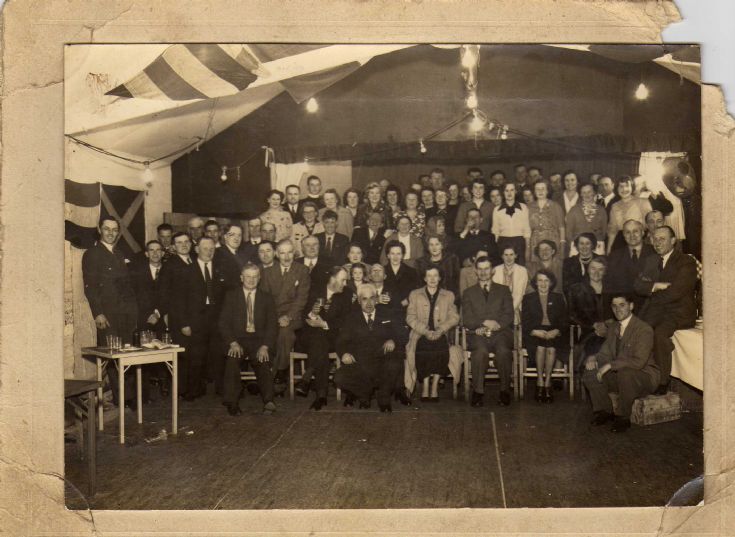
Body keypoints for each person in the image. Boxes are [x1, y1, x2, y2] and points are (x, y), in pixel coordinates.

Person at [82, 217, 139, 408]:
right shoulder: (92, 254)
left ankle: (128, 397)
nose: (111, 233)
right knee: (113, 356)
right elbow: (90, 288)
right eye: (107, 229)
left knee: (127, 355)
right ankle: (121, 398)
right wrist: (98, 313)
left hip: (125, 315)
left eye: (114, 230)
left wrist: (133, 313)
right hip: (107, 316)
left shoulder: (119, 253)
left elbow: (126, 287)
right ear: (99, 229)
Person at [634, 226, 698, 395]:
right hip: (657, 310)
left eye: (662, 239)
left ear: (673, 241)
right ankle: (641, 376)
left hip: (679, 312)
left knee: (660, 333)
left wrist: (653, 292)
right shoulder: (650, 261)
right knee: (637, 331)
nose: (657, 242)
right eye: (655, 239)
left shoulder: (686, 261)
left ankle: (663, 382)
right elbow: (637, 285)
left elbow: (677, 292)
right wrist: (655, 285)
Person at [582, 294, 659, 433]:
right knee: (590, 371)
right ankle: (605, 411)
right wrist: (593, 358)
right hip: (620, 375)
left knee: (625, 373)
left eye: (622, 305)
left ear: (631, 306)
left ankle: (623, 417)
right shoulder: (613, 327)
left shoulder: (643, 329)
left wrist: (611, 365)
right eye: (614, 306)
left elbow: (638, 362)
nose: (618, 309)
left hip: (644, 377)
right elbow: (605, 353)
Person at [219, 264, 277, 415]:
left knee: (263, 361)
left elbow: (272, 325)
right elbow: (223, 323)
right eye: (247, 276)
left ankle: (269, 401)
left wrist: (265, 346)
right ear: (241, 278)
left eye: (254, 277)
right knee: (232, 361)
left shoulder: (267, 298)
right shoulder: (231, 296)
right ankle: (232, 402)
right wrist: (232, 343)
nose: (251, 280)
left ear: (259, 279)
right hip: (237, 340)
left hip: (258, 341)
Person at [334, 284, 402, 412]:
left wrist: (393, 340)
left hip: (382, 362)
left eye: (372, 298)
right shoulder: (351, 318)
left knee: (394, 363)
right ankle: (364, 394)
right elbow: (341, 341)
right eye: (364, 299)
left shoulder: (387, 314)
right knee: (339, 377)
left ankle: (384, 398)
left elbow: (401, 334)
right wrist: (344, 354)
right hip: (360, 363)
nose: (369, 303)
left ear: (377, 299)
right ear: (359, 301)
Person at [296, 266, 352, 410]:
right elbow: (302, 313)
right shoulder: (314, 291)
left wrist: (324, 323)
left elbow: (345, 321)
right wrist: (311, 315)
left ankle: (313, 382)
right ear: (332, 279)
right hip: (308, 337)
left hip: (331, 338)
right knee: (318, 339)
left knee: (319, 340)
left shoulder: (346, 295)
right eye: (343, 280)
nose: (345, 284)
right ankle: (318, 390)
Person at [462, 256, 515, 407]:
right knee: (480, 353)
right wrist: (484, 323)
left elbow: (509, 314)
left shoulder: (504, 290)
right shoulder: (468, 293)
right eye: (480, 269)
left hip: (500, 333)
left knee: (504, 351)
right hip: (478, 333)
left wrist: (496, 325)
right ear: (475, 271)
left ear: (492, 271)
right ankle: (478, 392)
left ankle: (505, 390)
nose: (484, 272)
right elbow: (466, 319)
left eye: (487, 268)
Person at [259, 239, 311, 395]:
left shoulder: (302, 270)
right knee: (270, 332)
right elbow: (265, 300)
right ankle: (273, 373)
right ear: (276, 254)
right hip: (272, 315)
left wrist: (288, 316)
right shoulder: (267, 272)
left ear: (294, 253)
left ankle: (278, 373)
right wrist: (274, 318)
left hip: (293, 316)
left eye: (289, 252)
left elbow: (302, 299)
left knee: (284, 333)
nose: (286, 256)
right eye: (282, 252)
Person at [182, 237, 227, 398]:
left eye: (212, 249)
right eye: (205, 248)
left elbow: (226, 296)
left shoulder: (220, 269)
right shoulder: (187, 271)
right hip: (196, 319)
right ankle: (194, 390)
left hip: (216, 318)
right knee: (196, 356)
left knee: (218, 354)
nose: (209, 252)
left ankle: (222, 389)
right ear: (196, 250)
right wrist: (185, 323)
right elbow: (180, 299)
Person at [406, 267, 460, 401]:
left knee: (439, 346)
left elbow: (454, 317)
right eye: (429, 276)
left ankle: (435, 385)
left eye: (435, 276)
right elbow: (410, 317)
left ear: (440, 278)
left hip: (441, 334)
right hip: (420, 333)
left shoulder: (448, 295)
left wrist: (441, 330)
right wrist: (425, 331)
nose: (432, 279)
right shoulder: (415, 294)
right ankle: (425, 386)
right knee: (423, 346)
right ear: (424, 278)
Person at [522, 270, 569, 403]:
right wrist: (534, 331)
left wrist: (557, 330)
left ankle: (547, 381)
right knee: (541, 347)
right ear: (535, 283)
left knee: (551, 348)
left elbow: (564, 320)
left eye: (546, 280)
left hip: (554, 331)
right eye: (540, 280)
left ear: (551, 282)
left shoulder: (558, 298)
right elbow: (525, 321)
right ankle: (539, 380)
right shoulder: (528, 298)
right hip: (534, 332)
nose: (543, 284)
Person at [604, 219, 655, 312]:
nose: (632, 235)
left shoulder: (655, 253)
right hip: (622, 312)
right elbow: (608, 288)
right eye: (627, 232)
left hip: (650, 310)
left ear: (643, 232)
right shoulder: (614, 256)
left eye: (635, 231)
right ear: (623, 235)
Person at [568, 256, 612, 363]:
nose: (596, 272)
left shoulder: (611, 289)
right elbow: (571, 314)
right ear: (588, 270)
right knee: (595, 344)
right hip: (586, 330)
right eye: (593, 268)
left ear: (605, 272)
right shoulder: (577, 289)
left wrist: (606, 325)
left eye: (600, 269)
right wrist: (594, 325)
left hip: (610, 330)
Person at [607, 175, 653, 254]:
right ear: (616, 189)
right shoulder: (614, 206)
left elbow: (651, 223)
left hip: (640, 240)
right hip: (621, 242)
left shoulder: (643, 202)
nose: (624, 189)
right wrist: (609, 250)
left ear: (632, 187)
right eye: (621, 186)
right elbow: (612, 231)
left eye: (627, 186)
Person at [492, 183, 531, 265]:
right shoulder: (497, 209)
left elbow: (527, 229)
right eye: (506, 190)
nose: (509, 193)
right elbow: (495, 231)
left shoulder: (523, 207)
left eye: (512, 190)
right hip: (503, 242)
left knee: (520, 267)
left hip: (519, 242)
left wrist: (527, 249)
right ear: (503, 193)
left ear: (516, 191)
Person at [566, 182, 607, 256]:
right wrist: (575, 244)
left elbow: (604, 230)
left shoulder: (601, 210)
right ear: (580, 194)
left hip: (597, 245)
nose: (587, 195)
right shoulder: (574, 210)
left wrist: (598, 240)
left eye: (589, 192)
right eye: (584, 192)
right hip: (578, 246)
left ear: (594, 192)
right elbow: (568, 232)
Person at [527, 180, 565, 260]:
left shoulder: (556, 206)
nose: (540, 191)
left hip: (552, 241)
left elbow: (561, 227)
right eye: (537, 189)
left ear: (547, 190)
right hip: (535, 242)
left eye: (543, 189)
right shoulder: (528, 207)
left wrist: (562, 244)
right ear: (534, 191)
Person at [416, 235, 460, 304]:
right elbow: (419, 285)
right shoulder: (421, 263)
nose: (434, 248)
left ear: (442, 246)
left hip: (448, 300)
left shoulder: (452, 260)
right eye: (431, 245)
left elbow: (456, 283)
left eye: (437, 244)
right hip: (427, 300)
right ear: (428, 247)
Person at [492, 245, 529, 326]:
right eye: (506, 255)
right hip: (499, 307)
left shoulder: (522, 271)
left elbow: (519, 294)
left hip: (516, 306)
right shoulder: (495, 270)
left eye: (511, 254)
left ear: (516, 255)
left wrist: (508, 312)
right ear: (502, 256)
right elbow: (495, 294)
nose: (509, 258)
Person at [562, 232, 597, 298]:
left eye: (587, 243)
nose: (584, 247)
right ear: (577, 245)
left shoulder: (600, 260)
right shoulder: (568, 262)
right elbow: (566, 287)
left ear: (592, 245)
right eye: (581, 243)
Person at [216, 223, 250, 289]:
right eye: (232, 235)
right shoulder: (218, 253)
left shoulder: (242, 255)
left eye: (239, 235)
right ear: (225, 236)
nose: (236, 238)